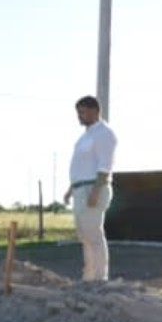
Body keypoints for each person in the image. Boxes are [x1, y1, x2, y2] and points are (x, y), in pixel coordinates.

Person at [64, 95, 117, 282]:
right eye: (78, 112)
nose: (79, 116)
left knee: (93, 234)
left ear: (95, 111)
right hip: (80, 189)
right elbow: (81, 166)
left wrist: (95, 191)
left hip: (93, 188)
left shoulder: (104, 133)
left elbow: (105, 166)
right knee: (84, 235)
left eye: (83, 112)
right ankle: (89, 276)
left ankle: (100, 277)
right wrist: (71, 189)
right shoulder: (85, 136)